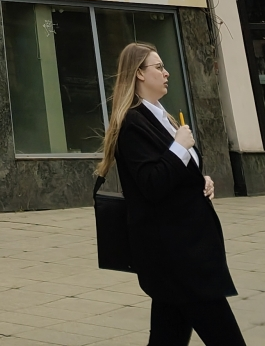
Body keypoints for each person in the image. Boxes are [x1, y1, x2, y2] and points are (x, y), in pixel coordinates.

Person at [97, 41, 246, 345]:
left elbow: (174, 173)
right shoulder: (133, 123)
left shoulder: (162, 116)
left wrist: (201, 179)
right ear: (139, 73)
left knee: (168, 338)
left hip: (184, 251)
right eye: (159, 67)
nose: (166, 73)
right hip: (178, 257)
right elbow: (151, 183)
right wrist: (179, 146)